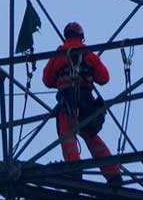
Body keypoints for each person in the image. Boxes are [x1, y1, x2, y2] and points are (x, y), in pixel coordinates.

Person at [42, 21, 122, 186]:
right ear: (81, 36)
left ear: (66, 36)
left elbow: (47, 80)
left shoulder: (59, 54)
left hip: (68, 104)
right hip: (87, 103)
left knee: (67, 135)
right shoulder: (89, 55)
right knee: (91, 136)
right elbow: (104, 78)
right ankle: (114, 175)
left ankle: (74, 170)